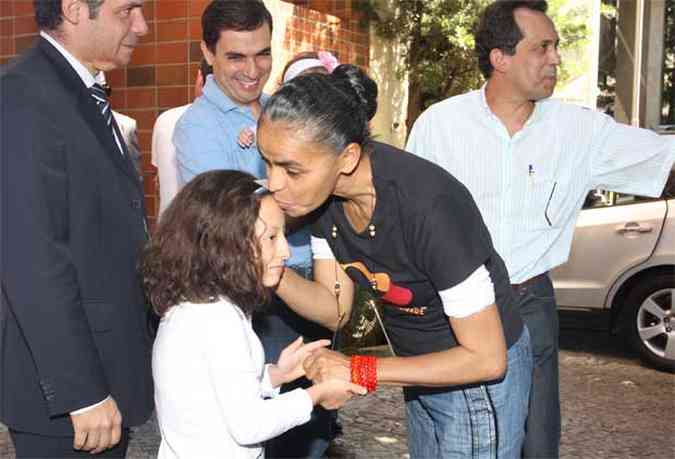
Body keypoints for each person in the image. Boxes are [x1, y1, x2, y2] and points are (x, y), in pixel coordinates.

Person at [405, 1, 675, 457]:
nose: (555, 58)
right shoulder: (440, 126)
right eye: (542, 47)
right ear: (500, 58)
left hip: (531, 304)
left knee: (535, 440)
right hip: (450, 306)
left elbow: (663, 160)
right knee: (445, 430)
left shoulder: (581, 131)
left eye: (556, 47)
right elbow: (407, 218)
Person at [256, 64, 533, 458]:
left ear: (347, 157)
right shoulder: (322, 200)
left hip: (476, 380)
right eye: (268, 162)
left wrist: (358, 370)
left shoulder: (429, 208)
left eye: (291, 169)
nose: (274, 183)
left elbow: (487, 359)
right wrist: (272, 270)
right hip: (422, 367)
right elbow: (335, 308)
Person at [173, 2, 333, 456]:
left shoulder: (280, 108)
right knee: (273, 434)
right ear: (208, 53)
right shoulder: (197, 127)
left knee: (315, 434)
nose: (252, 70)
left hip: (311, 290)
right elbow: (239, 220)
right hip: (262, 298)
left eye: (262, 54)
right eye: (235, 57)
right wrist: (306, 184)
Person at [0, 0, 153, 457]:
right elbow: (31, 257)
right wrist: (80, 391)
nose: (141, 27)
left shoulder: (80, 92)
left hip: (108, 372)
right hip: (71, 401)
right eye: (128, 11)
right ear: (73, 10)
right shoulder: (23, 97)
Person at [141, 170, 365, 459]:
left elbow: (215, 395)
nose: (284, 251)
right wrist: (315, 396)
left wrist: (275, 375)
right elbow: (249, 425)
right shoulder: (217, 320)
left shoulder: (199, 306)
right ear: (224, 244)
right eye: (271, 237)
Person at [237, 50, 340, 149]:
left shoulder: (339, 114)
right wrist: (252, 135)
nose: (311, 96)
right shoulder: (291, 116)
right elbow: (272, 130)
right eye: (300, 92)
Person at [151, 59, 211, 217]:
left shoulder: (165, 120)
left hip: (168, 231)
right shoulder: (246, 124)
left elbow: (158, 185)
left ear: (200, 78)